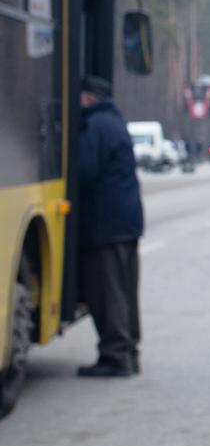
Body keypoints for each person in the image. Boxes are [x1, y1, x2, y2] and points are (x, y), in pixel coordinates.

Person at [76, 76, 144, 377]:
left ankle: (115, 356)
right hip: (125, 220)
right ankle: (129, 352)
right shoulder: (113, 121)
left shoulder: (96, 125)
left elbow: (83, 170)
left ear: (88, 98)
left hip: (106, 224)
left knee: (108, 291)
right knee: (125, 291)